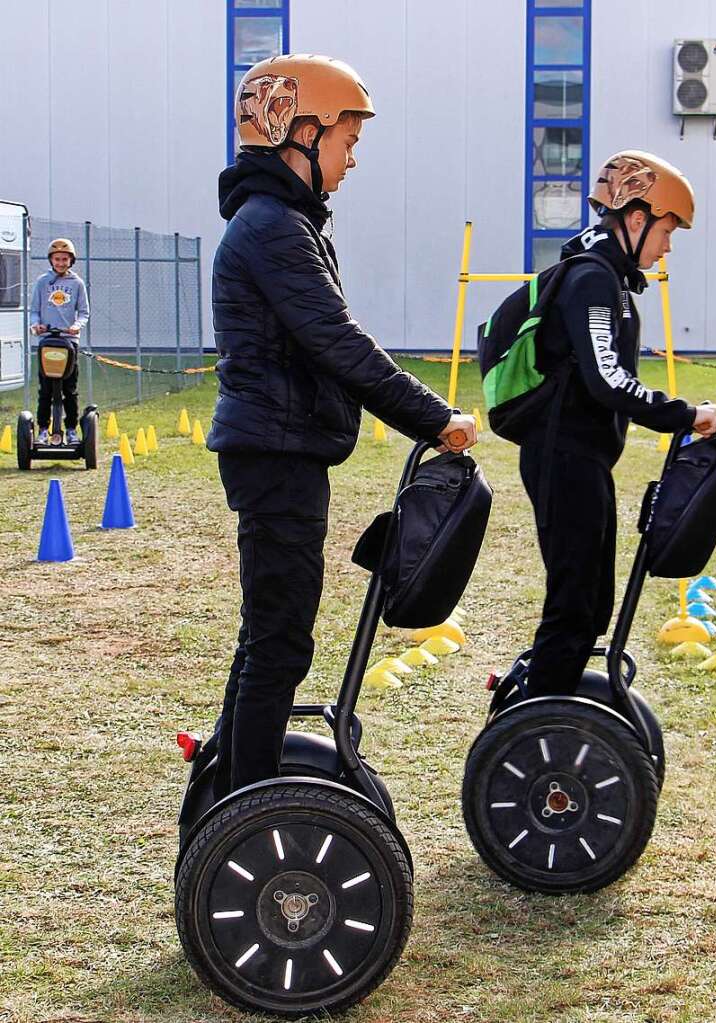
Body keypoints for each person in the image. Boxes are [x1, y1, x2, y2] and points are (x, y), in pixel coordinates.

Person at [207, 54, 477, 799]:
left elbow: (330, 343)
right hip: (274, 454)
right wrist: (436, 418)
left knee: (271, 634)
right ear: (299, 132)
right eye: (347, 140)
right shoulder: (271, 228)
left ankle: (236, 782)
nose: (352, 158)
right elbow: (339, 342)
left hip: (282, 451)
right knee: (279, 639)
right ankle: (250, 812)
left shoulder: (281, 221)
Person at [519, 150, 716, 697]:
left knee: (591, 604)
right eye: (667, 231)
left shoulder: (607, 277)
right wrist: (685, 415)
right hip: (564, 456)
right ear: (636, 218)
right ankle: (539, 719)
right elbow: (606, 378)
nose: (666, 247)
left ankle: (554, 709)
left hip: (584, 456)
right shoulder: (591, 279)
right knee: (574, 603)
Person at [29, 238, 90, 444]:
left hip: (69, 341)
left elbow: (84, 313)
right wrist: (36, 325)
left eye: (64, 259)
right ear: (51, 260)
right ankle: (43, 430)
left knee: (69, 389)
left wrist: (76, 326)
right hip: (47, 340)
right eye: (57, 259)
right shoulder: (42, 282)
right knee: (45, 389)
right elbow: (34, 311)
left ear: (71, 260)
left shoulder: (77, 283)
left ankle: (72, 429)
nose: (61, 263)